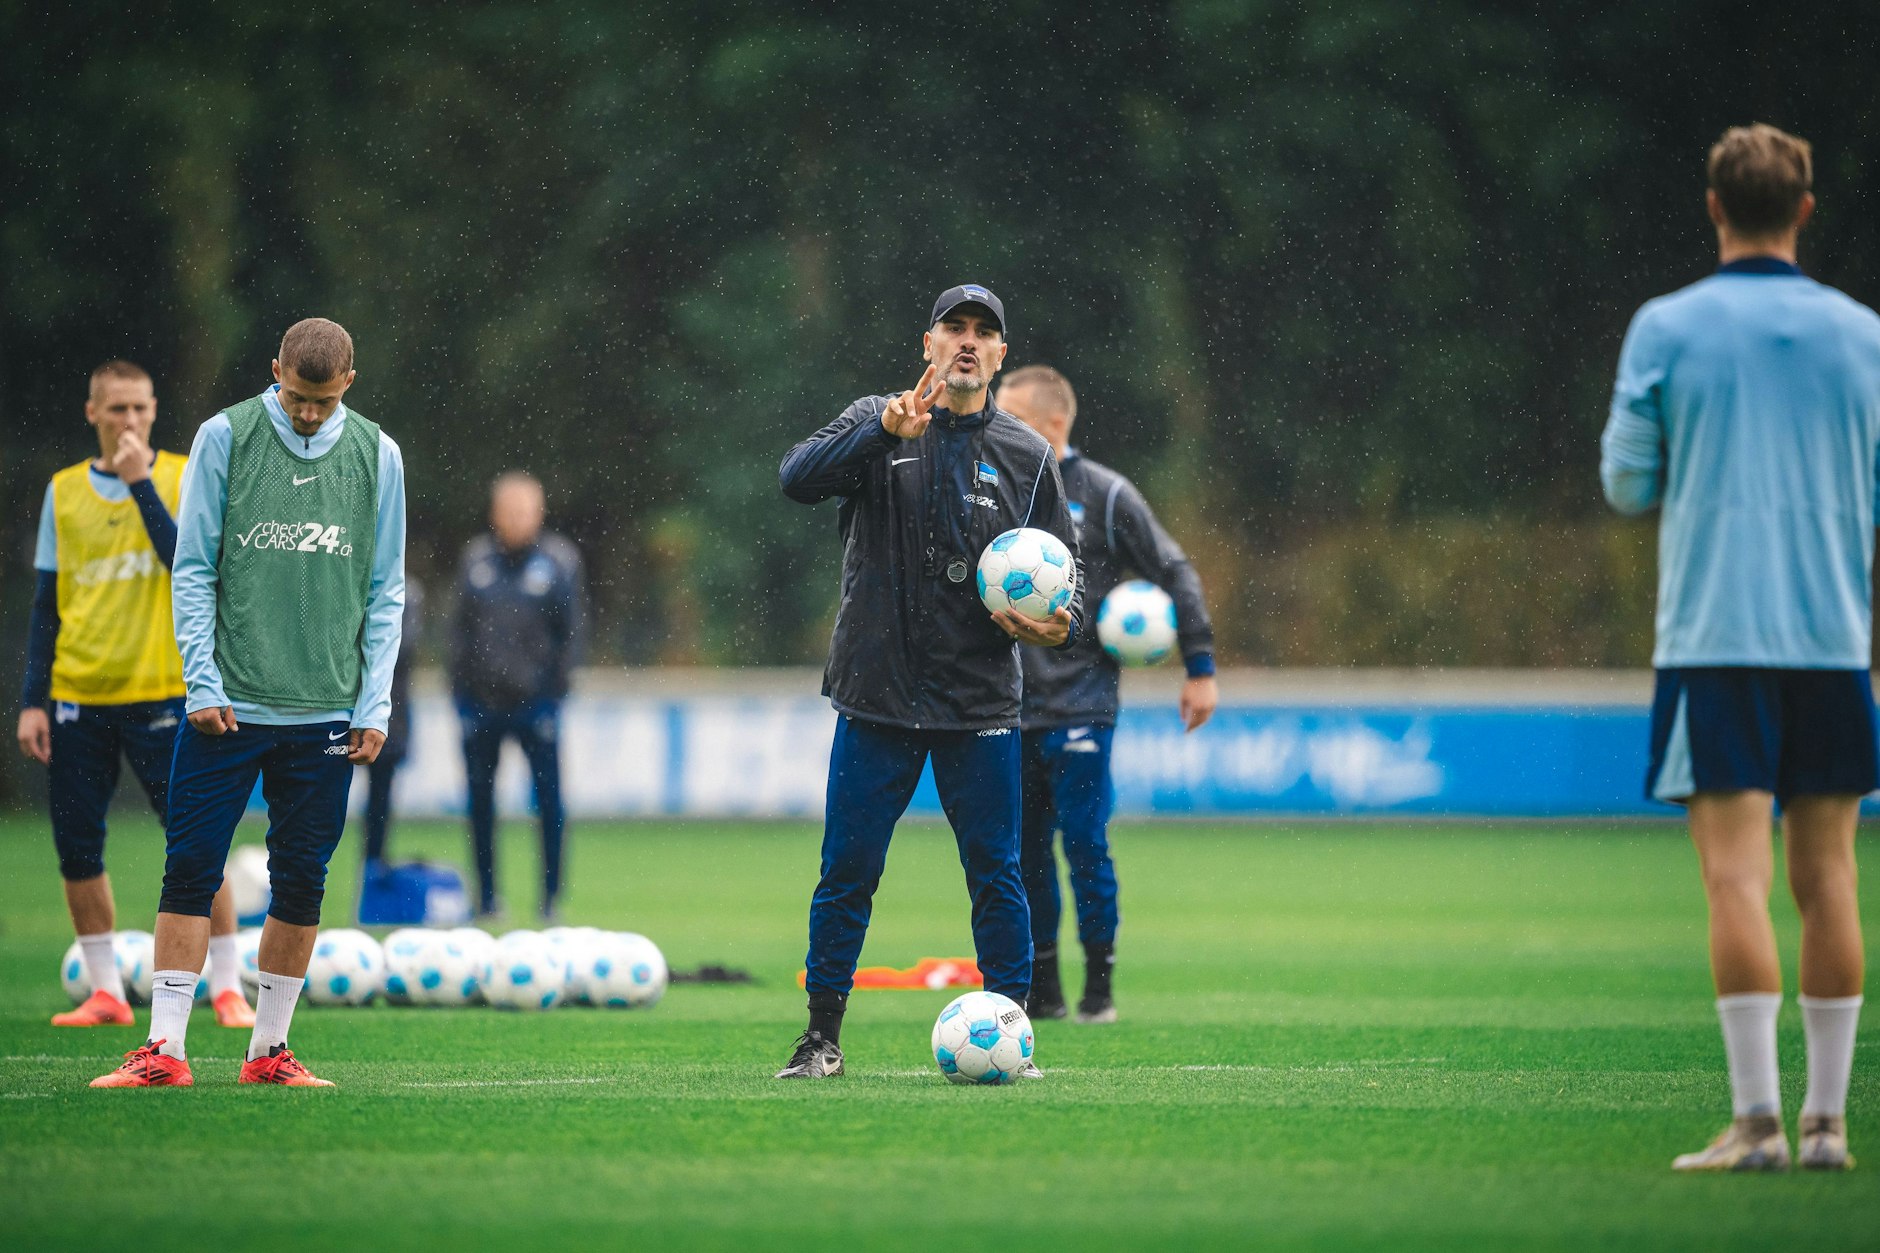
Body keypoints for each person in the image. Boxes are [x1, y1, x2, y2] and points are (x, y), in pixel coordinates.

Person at [1601, 124, 1880, 1171]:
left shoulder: (1665, 326)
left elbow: (1626, 483)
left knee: (1734, 880)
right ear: (1803, 210)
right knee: (1831, 880)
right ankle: (1827, 1125)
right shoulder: (1862, 334)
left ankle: (1755, 1120)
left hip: (1715, 635)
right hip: (1829, 639)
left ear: (1713, 207)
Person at [775, 284, 1084, 1079]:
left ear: (1001, 354)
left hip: (978, 697)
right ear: (929, 343)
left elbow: (1065, 582)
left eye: (985, 332)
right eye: (956, 328)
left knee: (996, 869)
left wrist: (1057, 622)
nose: (969, 342)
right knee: (848, 868)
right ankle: (820, 1038)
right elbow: (795, 478)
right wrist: (879, 433)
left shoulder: (1027, 453)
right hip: (876, 691)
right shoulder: (878, 419)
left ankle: (1011, 1031)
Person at [90, 318, 405, 1088]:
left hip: (327, 710)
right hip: (226, 706)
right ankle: (164, 1047)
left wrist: (375, 704)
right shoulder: (224, 436)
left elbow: (385, 589)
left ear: (348, 385)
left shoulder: (379, 454)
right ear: (275, 372)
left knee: (302, 882)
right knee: (189, 869)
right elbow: (192, 567)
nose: (306, 413)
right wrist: (202, 679)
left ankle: (269, 1051)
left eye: (322, 401)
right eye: (296, 397)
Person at [19, 362, 254, 1030]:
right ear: (92, 412)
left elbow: (186, 559)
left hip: (163, 692)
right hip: (78, 695)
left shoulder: (181, 476)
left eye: (140, 409)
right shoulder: (63, 492)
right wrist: (34, 699)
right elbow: (46, 603)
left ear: (155, 411)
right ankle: (105, 992)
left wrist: (140, 484)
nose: (129, 420)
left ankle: (229, 985)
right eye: (116, 408)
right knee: (77, 847)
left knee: (197, 841)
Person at [995, 365, 1219, 1024]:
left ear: (1054, 423)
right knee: (1022, 854)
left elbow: (1174, 568)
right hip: (1004, 706)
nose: (998, 427)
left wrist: (1200, 665)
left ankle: (1098, 987)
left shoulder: (1107, 493)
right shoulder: (996, 485)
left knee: (1085, 845)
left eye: (1012, 416)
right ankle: (1045, 991)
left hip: (1082, 704)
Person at [450, 472, 586, 921]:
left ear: (539, 513)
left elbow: (572, 636)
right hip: (481, 707)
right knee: (481, 806)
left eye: (525, 510)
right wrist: (462, 698)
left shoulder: (559, 562)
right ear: (494, 514)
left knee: (549, 804)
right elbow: (458, 633)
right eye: (509, 510)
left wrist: (554, 696)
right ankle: (487, 898)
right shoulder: (475, 561)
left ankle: (550, 898)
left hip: (537, 707)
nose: (516, 519)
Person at [361, 575, 424, 872]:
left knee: (380, 802)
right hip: (338, 710)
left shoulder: (406, 593)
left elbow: (399, 649)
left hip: (388, 712)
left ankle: (372, 874)